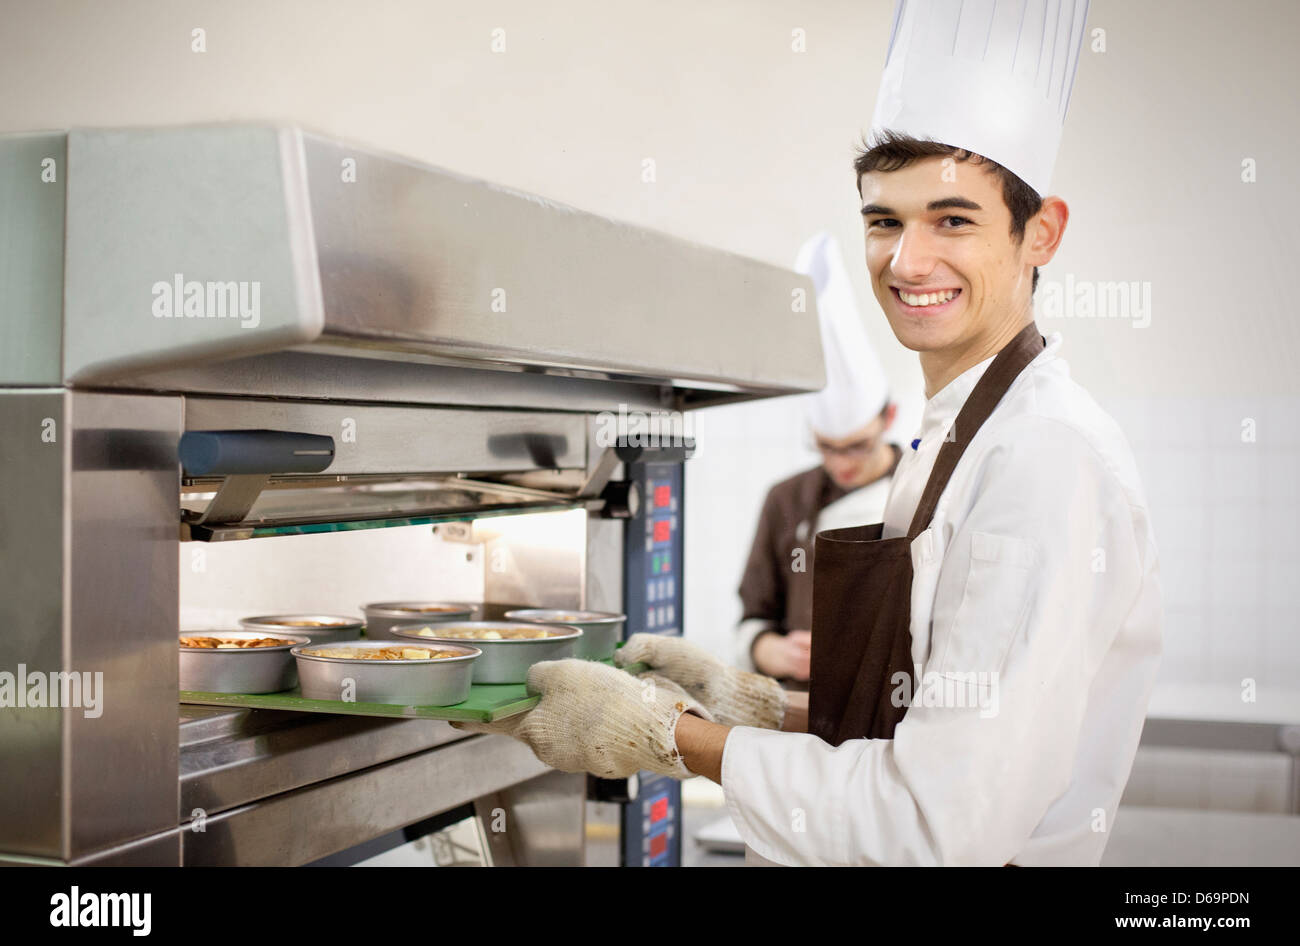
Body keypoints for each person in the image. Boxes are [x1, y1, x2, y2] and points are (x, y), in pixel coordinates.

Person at [460, 0, 1163, 866]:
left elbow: (931, 823)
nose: (907, 262)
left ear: (1040, 233)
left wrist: (669, 738)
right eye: (883, 221)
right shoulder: (955, 440)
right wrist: (751, 706)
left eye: (953, 220)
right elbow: (910, 726)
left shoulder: (1044, 460)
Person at [739, 232, 901, 687]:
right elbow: (751, 620)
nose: (840, 463)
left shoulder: (925, 487)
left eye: (857, 446)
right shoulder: (786, 499)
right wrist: (770, 651)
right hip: (800, 710)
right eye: (826, 447)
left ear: (889, 417)